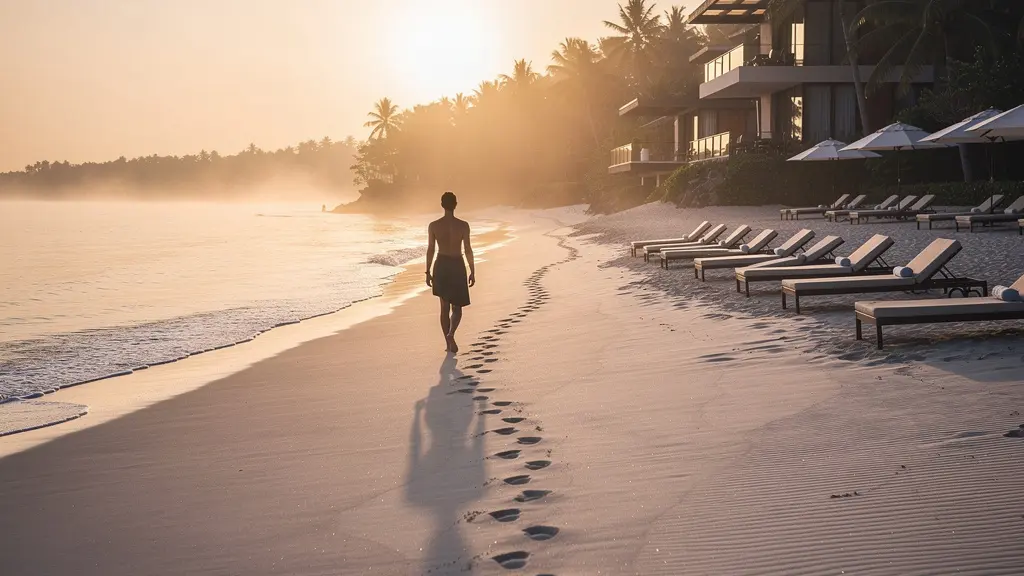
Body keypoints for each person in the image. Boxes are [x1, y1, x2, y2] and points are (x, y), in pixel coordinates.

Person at [425, 191, 475, 353]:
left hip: (441, 265)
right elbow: (467, 249)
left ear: (442, 205)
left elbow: (431, 249)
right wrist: (472, 270)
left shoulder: (434, 226)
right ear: (456, 205)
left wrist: (427, 271)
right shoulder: (463, 225)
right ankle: (451, 333)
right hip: (457, 265)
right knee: (457, 307)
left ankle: (448, 343)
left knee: (444, 307)